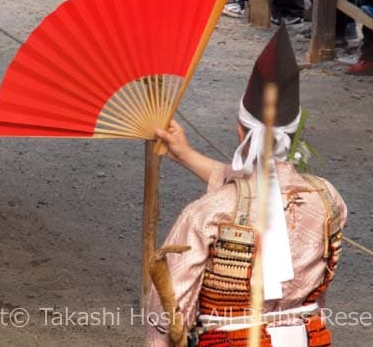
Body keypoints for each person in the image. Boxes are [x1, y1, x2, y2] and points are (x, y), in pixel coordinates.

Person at [146, 26, 348, 347]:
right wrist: (186, 155)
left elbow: (168, 313)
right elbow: (259, 191)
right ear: (294, 135)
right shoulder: (327, 201)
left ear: (241, 132)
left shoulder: (206, 215)